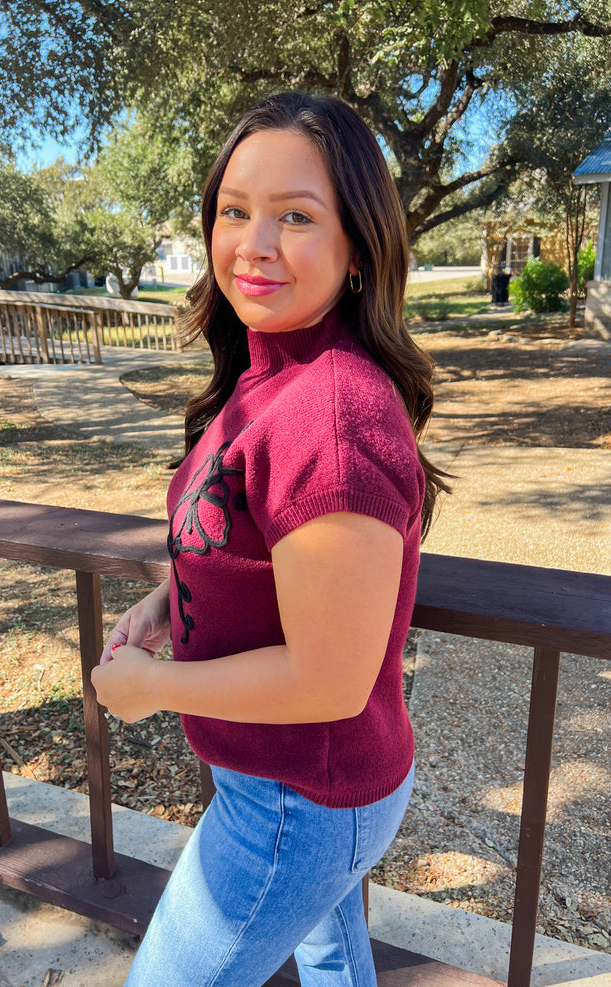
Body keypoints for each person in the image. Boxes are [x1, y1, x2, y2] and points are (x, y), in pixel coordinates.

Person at [91, 90, 449, 987]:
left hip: (299, 801)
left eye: (296, 216)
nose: (253, 242)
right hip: (289, 784)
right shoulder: (268, 377)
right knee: (334, 966)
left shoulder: (331, 412)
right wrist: (169, 602)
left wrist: (152, 688)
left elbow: (328, 676)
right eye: (234, 210)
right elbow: (247, 543)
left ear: (358, 248)